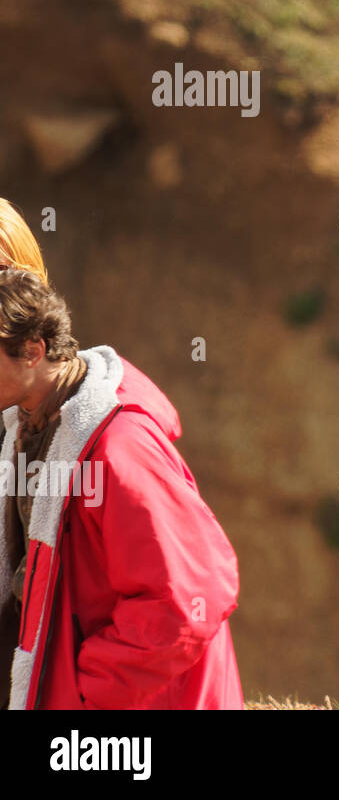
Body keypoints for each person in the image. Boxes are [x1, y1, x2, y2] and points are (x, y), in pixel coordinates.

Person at [0, 268, 243, 709]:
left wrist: (82, 690)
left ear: (33, 350)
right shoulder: (27, 423)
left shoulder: (120, 446)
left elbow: (189, 599)